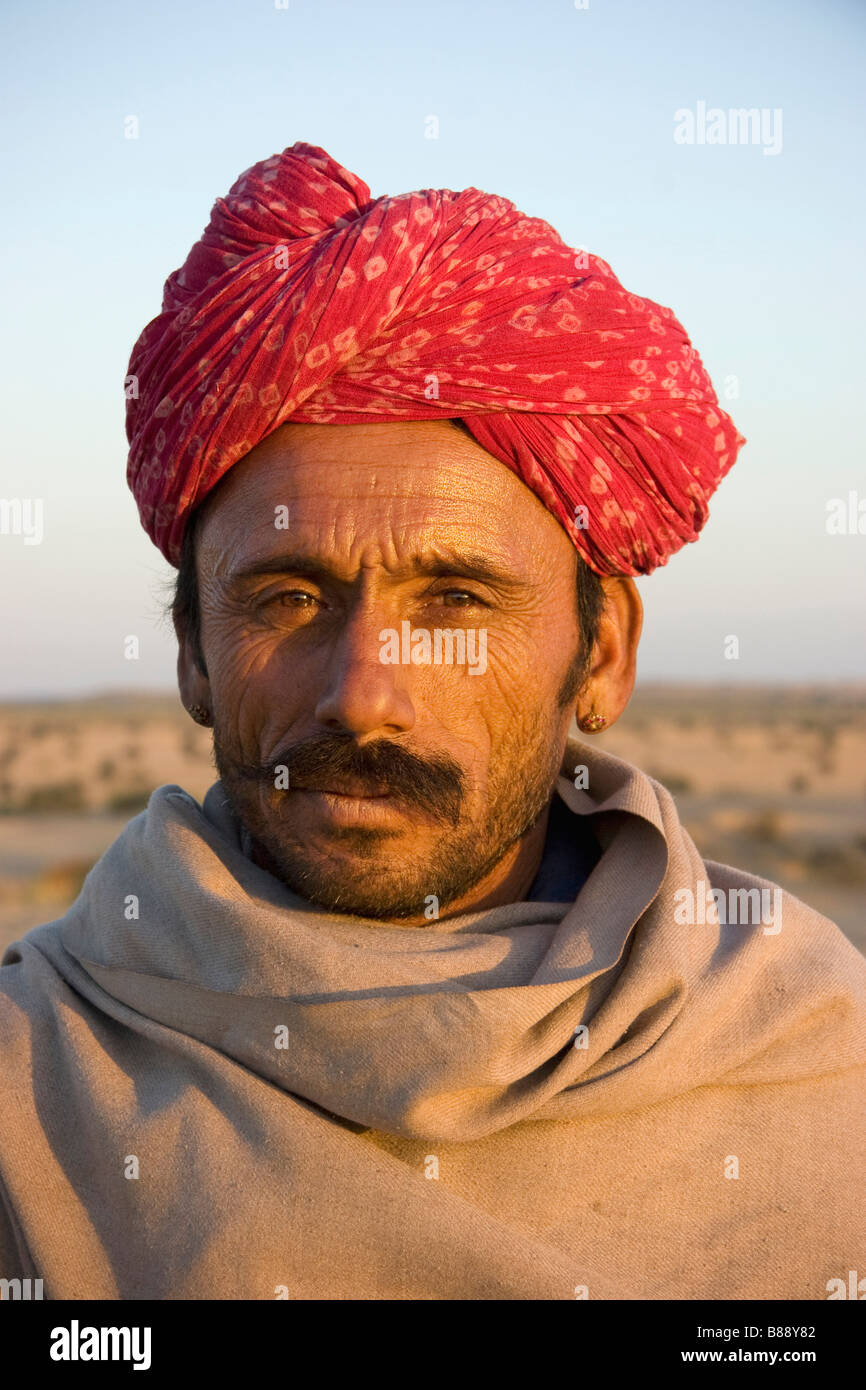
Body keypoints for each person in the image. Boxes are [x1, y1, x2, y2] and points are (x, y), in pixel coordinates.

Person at [0, 144, 863, 1302]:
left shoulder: (810, 1049)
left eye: (454, 599)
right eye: (288, 598)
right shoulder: (33, 1082)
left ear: (599, 654)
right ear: (193, 656)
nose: (362, 692)